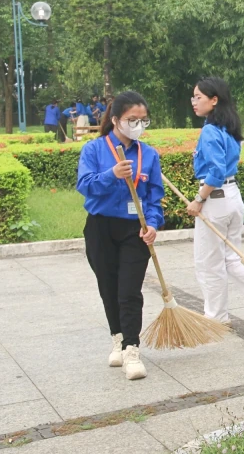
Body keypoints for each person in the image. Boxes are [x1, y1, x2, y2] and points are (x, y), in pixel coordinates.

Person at [76, 91, 164, 381]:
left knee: (129, 291)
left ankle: (132, 349)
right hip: (101, 227)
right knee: (108, 287)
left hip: (134, 229)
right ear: (115, 120)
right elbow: (85, 186)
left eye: (143, 120)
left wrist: (152, 224)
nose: (138, 124)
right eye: (132, 119)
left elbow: (154, 196)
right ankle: (118, 337)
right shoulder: (94, 149)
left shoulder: (148, 154)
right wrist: (111, 174)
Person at [186, 77, 244, 329]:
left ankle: (215, 318)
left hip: (215, 199)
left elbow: (215, 171)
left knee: (208, 262)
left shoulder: (210, 131)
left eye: (198, 97)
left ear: (214, 100)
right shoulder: (228, 129)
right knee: (232, 258)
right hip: (233, 198)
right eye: (193, 97)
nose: (194, 102)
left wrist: (198, 198)